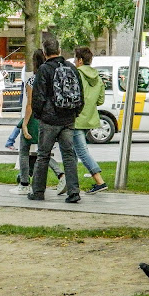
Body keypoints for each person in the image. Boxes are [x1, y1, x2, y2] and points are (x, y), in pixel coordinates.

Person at [29, 36, 84, 203]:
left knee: (43, 155)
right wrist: (75, 113)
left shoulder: (44, 70)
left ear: (45, 53)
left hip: (49, 120)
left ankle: (38, 191)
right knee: (69, 155)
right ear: (59, 51)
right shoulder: (71, 68)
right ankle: (73, 192)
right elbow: (80, 94)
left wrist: (40, 115)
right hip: (68, 119)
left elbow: (37, 98)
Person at [9, 49, 67, 195]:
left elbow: (30, 104)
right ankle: (61, 174)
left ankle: (24, 183)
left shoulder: (32, 79)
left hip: (34, 118)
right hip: (48, 117)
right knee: (43, 152)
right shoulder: (51, 76)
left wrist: (25, 123)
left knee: (24, 150)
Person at [73, 47, 108, 194]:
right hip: (90, 118)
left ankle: (99, 181)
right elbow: (100, 100)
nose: (74, 62)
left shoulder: (76, 75)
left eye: (75, 59)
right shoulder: (98, 77)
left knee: (81, 151)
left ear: (80, 60)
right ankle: (71, 183)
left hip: (76, 118)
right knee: (74, 152)